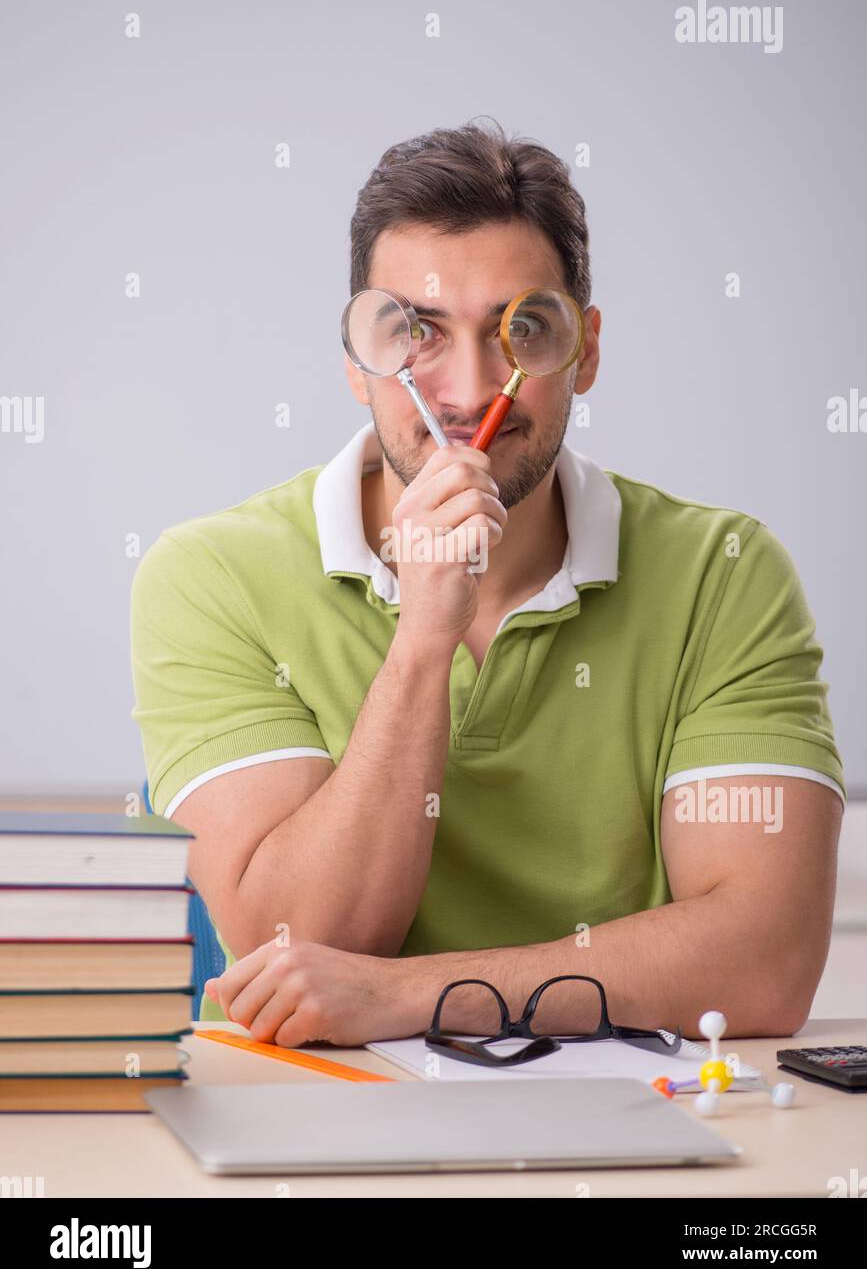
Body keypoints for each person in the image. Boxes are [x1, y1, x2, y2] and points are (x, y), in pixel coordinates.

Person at [130, 118, 845, 1046]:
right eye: (417, 332)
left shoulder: (724, 573)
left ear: (583, 350)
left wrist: (411, 996)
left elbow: (763, 967)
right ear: (360, 361)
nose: (468, 391)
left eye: (522, 331)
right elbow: (294, 949)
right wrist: (424, 640)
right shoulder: (210, 575)